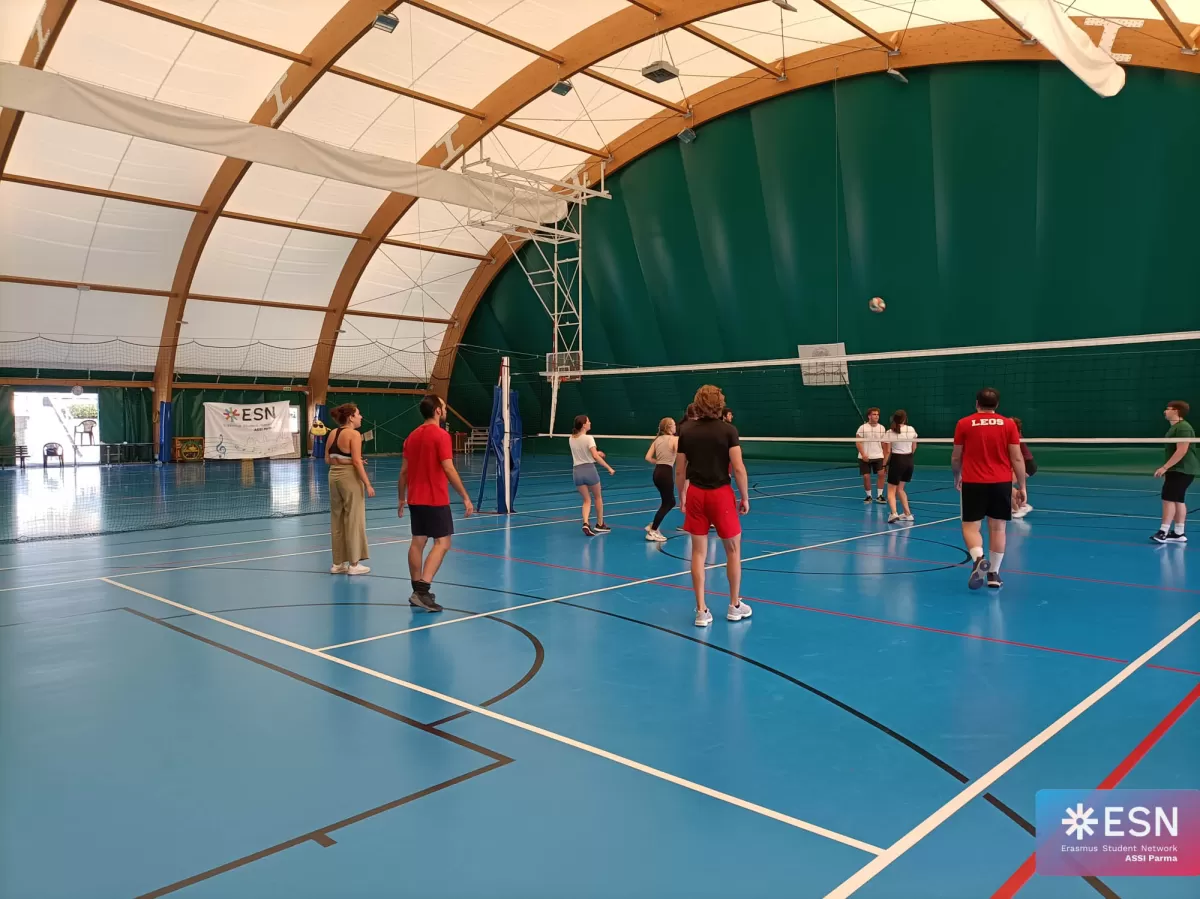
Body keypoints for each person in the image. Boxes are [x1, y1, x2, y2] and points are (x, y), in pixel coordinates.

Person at [675, 384, 751, 627]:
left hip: (696, 494)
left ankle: (701, 610)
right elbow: (738, 468)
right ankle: (734, 605)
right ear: (719, 404)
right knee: (733, 551)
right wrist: (745, 496)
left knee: (698, 553)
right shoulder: (729, 431)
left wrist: (682, 495)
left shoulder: (685, 431)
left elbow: (679, 469)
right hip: (720, 495)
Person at [398, 395, 474, 611]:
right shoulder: (441, 436)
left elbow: (403, 472)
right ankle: (422, 591)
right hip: (435, 498)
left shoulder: (411, 437)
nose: (446, 410)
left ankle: (416, 590)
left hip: (415, 498)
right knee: (443, 543)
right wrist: (465, 496)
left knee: (418, 541)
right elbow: (448, 468)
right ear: (438, 411)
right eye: (444, 407)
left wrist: (401, 498)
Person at [952, 388, 1026, 590]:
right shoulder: (1008, 424)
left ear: (977, 403)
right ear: (997, 405)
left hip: (974, 482)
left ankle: (978, 559)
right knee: (998, 528)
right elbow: (1017, 457)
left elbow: (956, 456)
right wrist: (1021, 485)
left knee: (970, 527)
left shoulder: (964, 423)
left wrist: (957, 476)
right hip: (1001, 483)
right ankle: (993, 574)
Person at [326, 403, 374, 575]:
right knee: (354, 518)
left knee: (337, 519)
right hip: (349, 479)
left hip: (333, 477)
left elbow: (329, 459)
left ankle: (338, 564)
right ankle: (354, 564)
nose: (361, 417)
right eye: (359, 414)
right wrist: (367, 483)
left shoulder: (332, 433)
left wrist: (353, 460)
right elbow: (355, 461)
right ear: (351, 417)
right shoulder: (354, 434)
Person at [1152, 400, 1198, 544]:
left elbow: (1182, 450)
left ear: (1176, 411)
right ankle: (1179, 533)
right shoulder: (1177, 427)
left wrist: (1165, 467)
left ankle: (1163, 531)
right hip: (1180, 469)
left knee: (1168, 499)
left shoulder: (1183, 427)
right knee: (1178, 499)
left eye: (1168, 409)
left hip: (1182, 469)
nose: (1165, 411)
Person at [569, 415, 615, 537]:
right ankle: (600, 524)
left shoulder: (571, 438)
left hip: (577, 472)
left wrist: (597, 453)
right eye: (588, 421)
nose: (590, 423)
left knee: (586, 500)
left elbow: (586, 453)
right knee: (598, 497)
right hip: (589, 470)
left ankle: (585, 523)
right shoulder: (589, 438)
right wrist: (609, 468)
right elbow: (594, 456)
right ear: (583, 425)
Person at [644, 417, 678, 542]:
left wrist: (659, 462)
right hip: (666, 473)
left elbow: (648, 457)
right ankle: (652, 531)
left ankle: (653, 525)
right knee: (667, 503)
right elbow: (681, 455)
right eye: (674, 425)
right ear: (669, 427)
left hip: (657, 472)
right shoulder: (674, 439)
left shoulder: (657, 440)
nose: (675, 427)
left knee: (671, 502)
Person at [883, 410, 917, 524]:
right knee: (900, 489)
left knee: (891, 490)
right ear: (905, 418)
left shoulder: (889, 432)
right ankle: (907, 514)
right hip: (909, 460)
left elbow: (887, 451)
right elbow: (914, 447)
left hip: (897, 460)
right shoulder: (911, 429)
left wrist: (884, 465)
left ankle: (893, 514)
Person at [856, 408, 888, 504]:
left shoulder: (882, 428)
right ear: (869, 416)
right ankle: (868, 496)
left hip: (878, 455)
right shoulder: (862, 428)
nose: (876, 416)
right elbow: (858, 442)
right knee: (866, 476)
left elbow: (883, 443)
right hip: (865, 457)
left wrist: (885, 456)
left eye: (877, 414)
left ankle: (879, 495)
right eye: (874, 414)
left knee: (881, 474)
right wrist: (863, 454)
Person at [1011, 417, 1036, 519]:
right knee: (1003, 485)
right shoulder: (1010, 434)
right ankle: (1015, 508)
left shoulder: (1015, 435)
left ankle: (1022, 506)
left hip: (1027, 464)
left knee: (1005, 485)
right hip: (1020, 464)